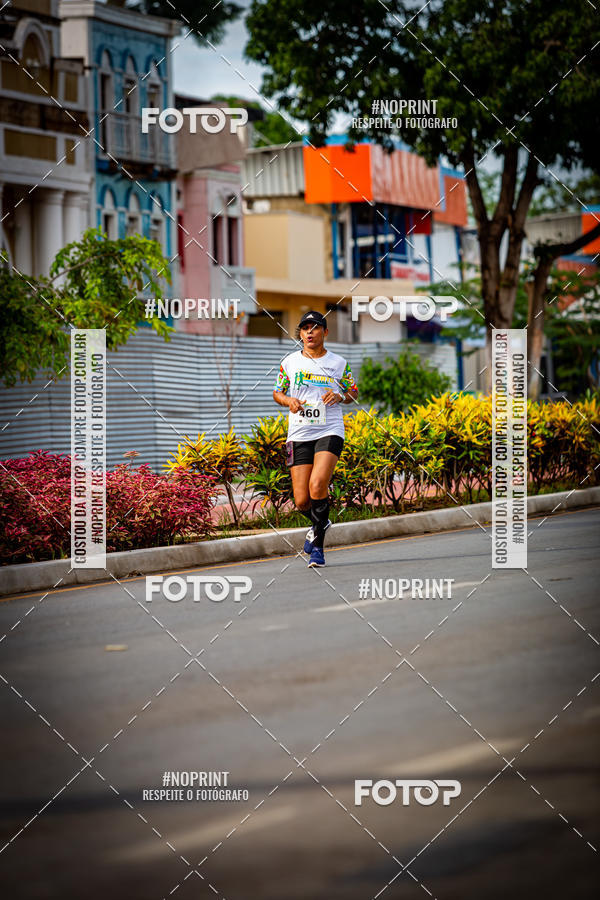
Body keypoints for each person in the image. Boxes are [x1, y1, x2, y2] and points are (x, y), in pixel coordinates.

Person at [273, 310, 358, 567]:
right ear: (300, 334)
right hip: (299, 432)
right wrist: (288, 400)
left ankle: (318, 549)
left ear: (325, 332)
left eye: (315, 327)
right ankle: (321, 521)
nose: (309, 332)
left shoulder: (338, 362)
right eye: (305, 328)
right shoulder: (289, 362)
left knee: (318, 485)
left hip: (329, 429)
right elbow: (278, 392)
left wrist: (340, 396)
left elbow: (353, 391)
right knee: (301, 500)